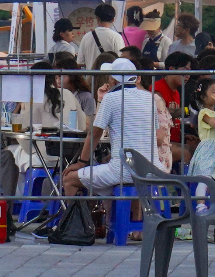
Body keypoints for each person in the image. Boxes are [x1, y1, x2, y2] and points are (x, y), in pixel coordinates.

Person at [63, 59, 170, 197]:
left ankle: (78, 219)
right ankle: (122, 218)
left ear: (113, 80)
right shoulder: (149, 98)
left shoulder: (111, 98)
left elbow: (95, 133)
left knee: (70, 179)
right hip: (153, 169)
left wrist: (82, 162)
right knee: (111, 178)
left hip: (124, 171)